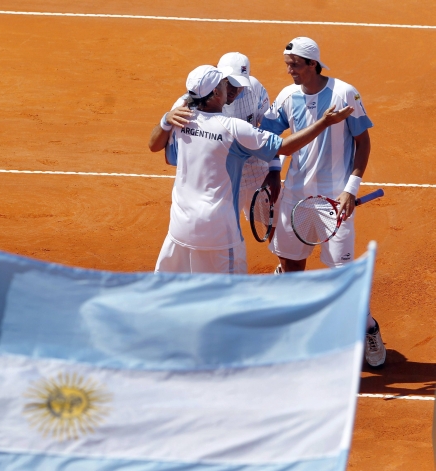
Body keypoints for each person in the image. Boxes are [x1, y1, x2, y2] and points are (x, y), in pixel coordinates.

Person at [148, 64, 353, 275]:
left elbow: (159, 150)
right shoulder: (233, 128)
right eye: (224, 83)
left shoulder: (181, 120)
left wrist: (165, 119)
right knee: (229, 298)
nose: (230, 87)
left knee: (170, 290)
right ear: (217, 93)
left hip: (179, 228)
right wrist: (324, 122)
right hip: (218, 233)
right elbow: (285, 147)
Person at [259, 37, 386, 367]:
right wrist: (274, 174)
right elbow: (273, 142)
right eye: (288, 65)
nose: (290, 71)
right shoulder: (287, 96)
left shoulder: (345, 93)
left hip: (334, 200)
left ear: (313, 64)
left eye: (295, 65)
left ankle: (369, 327)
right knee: (291, 270)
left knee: (343, 276)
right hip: (295, 195)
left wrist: (350, 189)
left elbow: (363, 143)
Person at [152, 52, 282, 216]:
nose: (235, 90)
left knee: (273, 219)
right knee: (225, 226)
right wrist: (166, 119)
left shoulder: (255, 88)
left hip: (255, 166)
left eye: (240, 84)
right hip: (221, 176)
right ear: (219, 80)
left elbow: (267, 131)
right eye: (230, 84)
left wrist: (274, 168)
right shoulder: (189, 103)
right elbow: (163, 151)